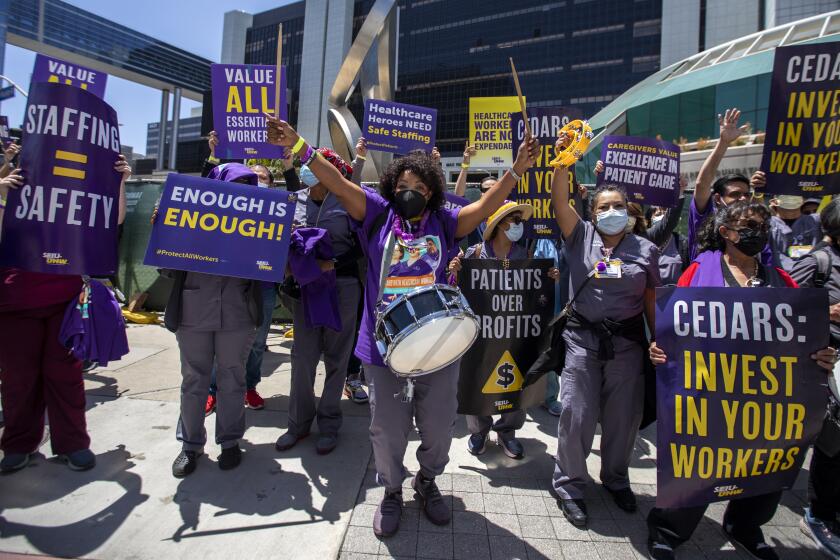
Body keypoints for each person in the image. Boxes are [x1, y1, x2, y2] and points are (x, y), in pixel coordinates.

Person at [266, 114, 539, 537]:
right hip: (382, 348)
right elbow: (338, 184)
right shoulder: (376, 214)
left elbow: (485, 207)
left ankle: (427, 481)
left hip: (439, 345)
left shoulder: (445, 222)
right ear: (393, 187)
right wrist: (299, 146)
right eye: (404, 187)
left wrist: (517, 170)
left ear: (432, 193)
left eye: (421, 188)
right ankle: (391, 491)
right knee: (387, 428)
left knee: (437, 425)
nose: (411, 193)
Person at [646, 200, 838, 560]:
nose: (757, 231)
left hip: (764, 395)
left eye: (763, 224)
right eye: (748, 225)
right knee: (698, 462)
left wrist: (821, 356)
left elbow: (803, 337)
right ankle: (668, 530)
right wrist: (659, 348)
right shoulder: (698, 273)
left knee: (763, 466)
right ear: (726, 232)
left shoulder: (780, 280)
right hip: (707, 391)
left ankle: (745, 526)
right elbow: (674, 326)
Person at [549, 134, 661, 528]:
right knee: (577, 415)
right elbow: (560, 200)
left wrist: (657, 340)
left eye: (618, 206)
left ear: (629, 212)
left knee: (622, 418)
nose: (612, 211)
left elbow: (651, 299)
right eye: (604, 206)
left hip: (628, 346)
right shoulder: (580, 235)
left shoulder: (646, 251)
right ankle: (569, 486)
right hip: (581, 342)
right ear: (593, 212)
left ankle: (615, 479)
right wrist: (563, 160)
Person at [0, 152, 131, 473]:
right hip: (14, 301)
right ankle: (18, 443)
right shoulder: (13, 188)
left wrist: (119, 182)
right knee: (18, 378)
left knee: (65, 375)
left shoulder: (75, 194)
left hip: (65, 299)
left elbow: (111, 219)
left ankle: (72, 443)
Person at [163, 163, 264, 477]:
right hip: (194, 311)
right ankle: (190, 446)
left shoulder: (257, 225)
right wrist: (163, 232)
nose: (241, 192)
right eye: (235, 185)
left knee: (233, 378)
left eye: (247, 186)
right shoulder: (187, 221)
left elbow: (268, 267)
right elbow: (166, 270)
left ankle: (230, 442)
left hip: (238, 312)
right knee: (195, 379)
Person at [449, 201, 559, 459]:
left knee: (516, 382)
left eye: (521, 220)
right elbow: (456, 288)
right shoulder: (475, 255)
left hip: (514, 334)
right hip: (481, 335)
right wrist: (455, 271)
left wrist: (549, 278)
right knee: (476, 379)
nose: (519, 225)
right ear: (499, 225)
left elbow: (536, 297)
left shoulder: (526, 257)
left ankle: (507, 432)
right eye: (514, 220)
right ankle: (479, 432)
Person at [275, 148, 362, 456]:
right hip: (307, 289)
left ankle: (329, 424)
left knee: (337, 360)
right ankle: (297, 425)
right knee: (302, 358)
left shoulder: (350, 201)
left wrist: (332, 264)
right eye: (305, 165)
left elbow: (363, 249)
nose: (307, 170)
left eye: (314, 165)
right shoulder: (292, 200)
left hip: (343, 287)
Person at [202, 131, 296, 415]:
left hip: (263, 285)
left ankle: (249, 386)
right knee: (221, 340)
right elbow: (205, 188)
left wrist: (289, 164)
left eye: (263, 178)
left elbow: (296, 193)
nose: (256, 181)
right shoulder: (225, 207)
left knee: (256, 342)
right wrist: (213, 155)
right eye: (248, 177)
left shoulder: (277, 208)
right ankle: (213, 391)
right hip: (227, 283)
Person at [790, 198, 840, 558]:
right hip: (829, 361)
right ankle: (821, 513)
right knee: (834, 443)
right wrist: (826, 311)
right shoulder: (817, 262)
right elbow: (784, 310)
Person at [688, 109, 773, 267]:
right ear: (718, 199)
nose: (742, 198)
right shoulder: (706, 218)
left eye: (746, 195)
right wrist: (724, 143)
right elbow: (702, 184)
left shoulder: (757, 231)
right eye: (735, 194)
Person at [751, 172, 822, 272]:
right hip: (778, 282)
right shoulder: (768, 225)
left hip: (812, 281)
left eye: (794, 193)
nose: (790, 196)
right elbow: (756, 214)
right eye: (784, 194)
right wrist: (758, 191)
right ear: (773, 202)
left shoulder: (816, 221)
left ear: (803, 199)